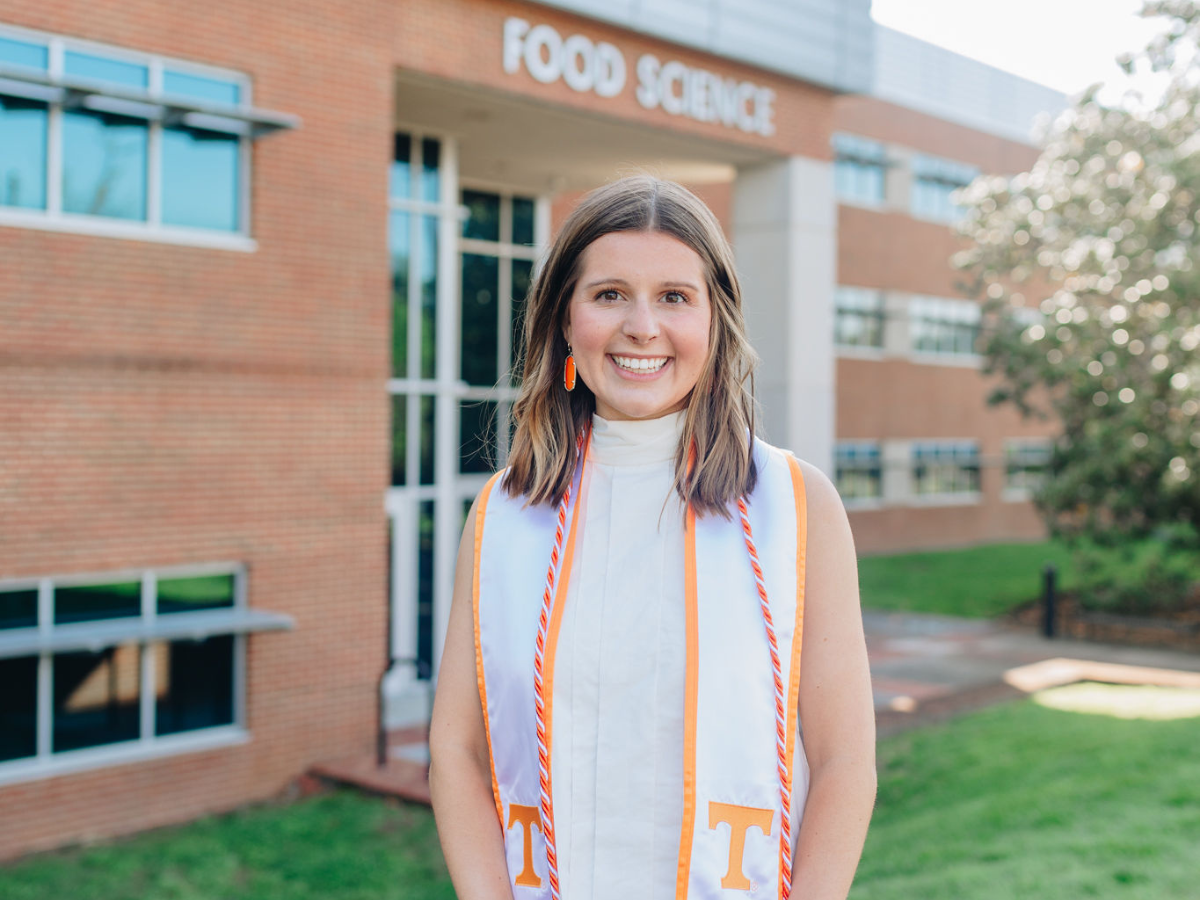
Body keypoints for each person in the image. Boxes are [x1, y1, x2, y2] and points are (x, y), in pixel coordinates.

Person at [429, 175, 876, 900]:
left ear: (715, 322)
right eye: (609, 295)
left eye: (674, 296)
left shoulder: (795, 506)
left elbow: (844, 760)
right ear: (565, 322)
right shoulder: (503, 514)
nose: (642, 326)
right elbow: (456, 750)